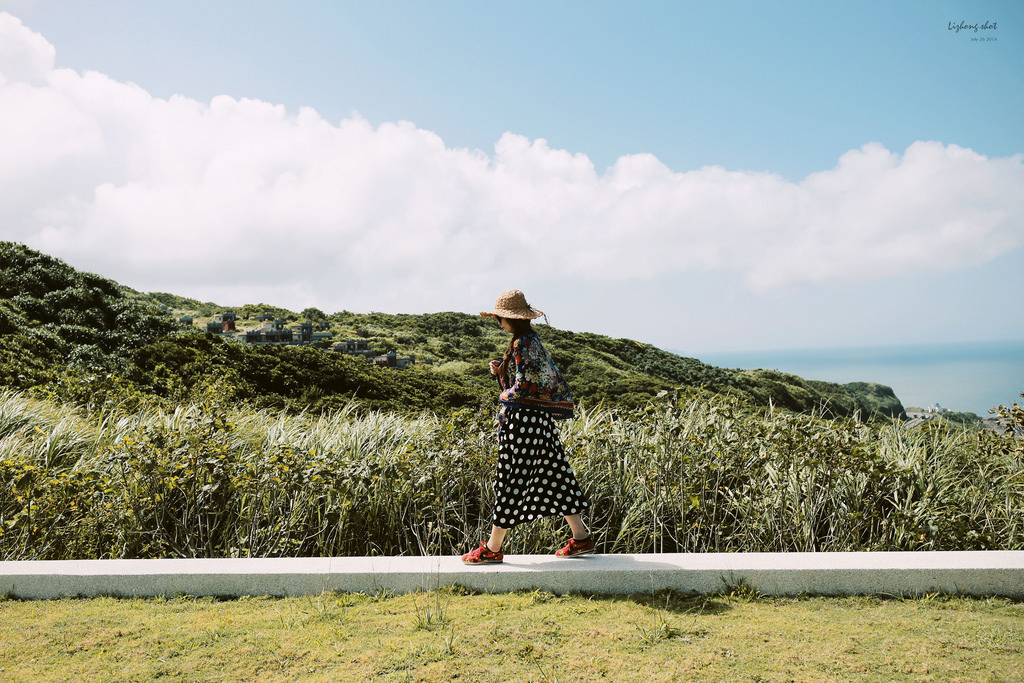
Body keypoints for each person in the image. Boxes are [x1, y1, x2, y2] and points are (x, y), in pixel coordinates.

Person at [462, 289, 594, 564]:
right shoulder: (530, 340)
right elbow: (534, 378)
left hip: (523, 424)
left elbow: (524, 386)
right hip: (540, 421)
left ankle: (493, 547)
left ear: (511, 319)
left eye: (500, 319)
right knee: (555, 474)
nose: (499, 323)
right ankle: (581, 538)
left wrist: (504, 394)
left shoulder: (521, 344)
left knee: (512, 480)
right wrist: (502, 372)